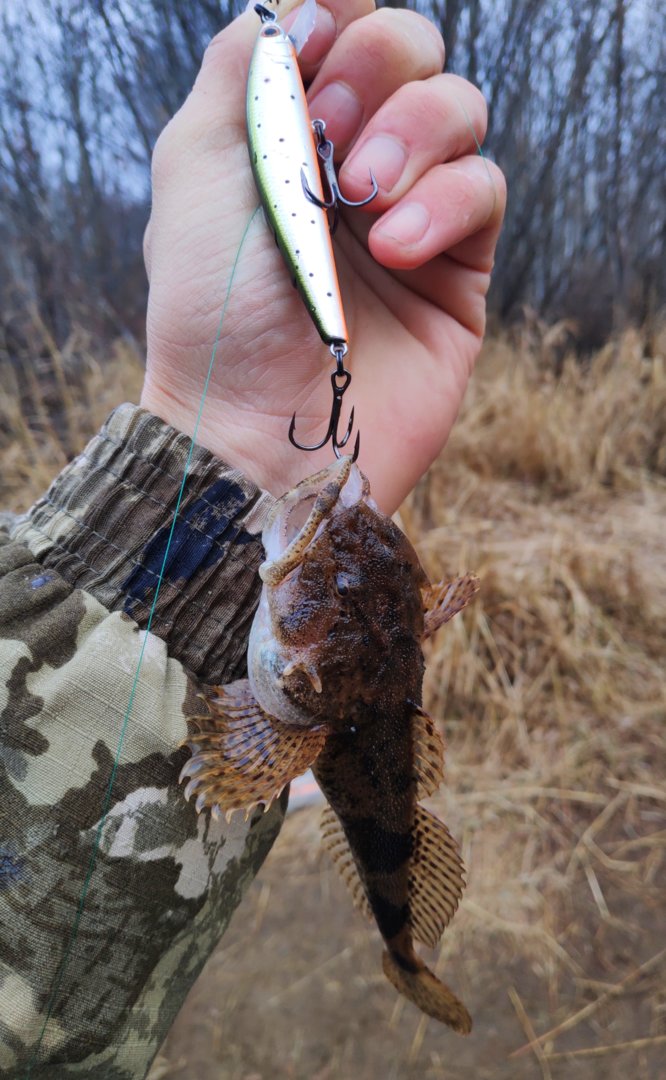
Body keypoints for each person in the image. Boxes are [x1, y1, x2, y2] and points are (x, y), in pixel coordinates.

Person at [0, 1, 505, 1076]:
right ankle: (404, 946)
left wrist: (223, 448)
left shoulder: (307, 671)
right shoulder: (313, 658)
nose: (340, 511)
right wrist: (225, 431)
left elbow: (243, 740)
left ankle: (404, 946)